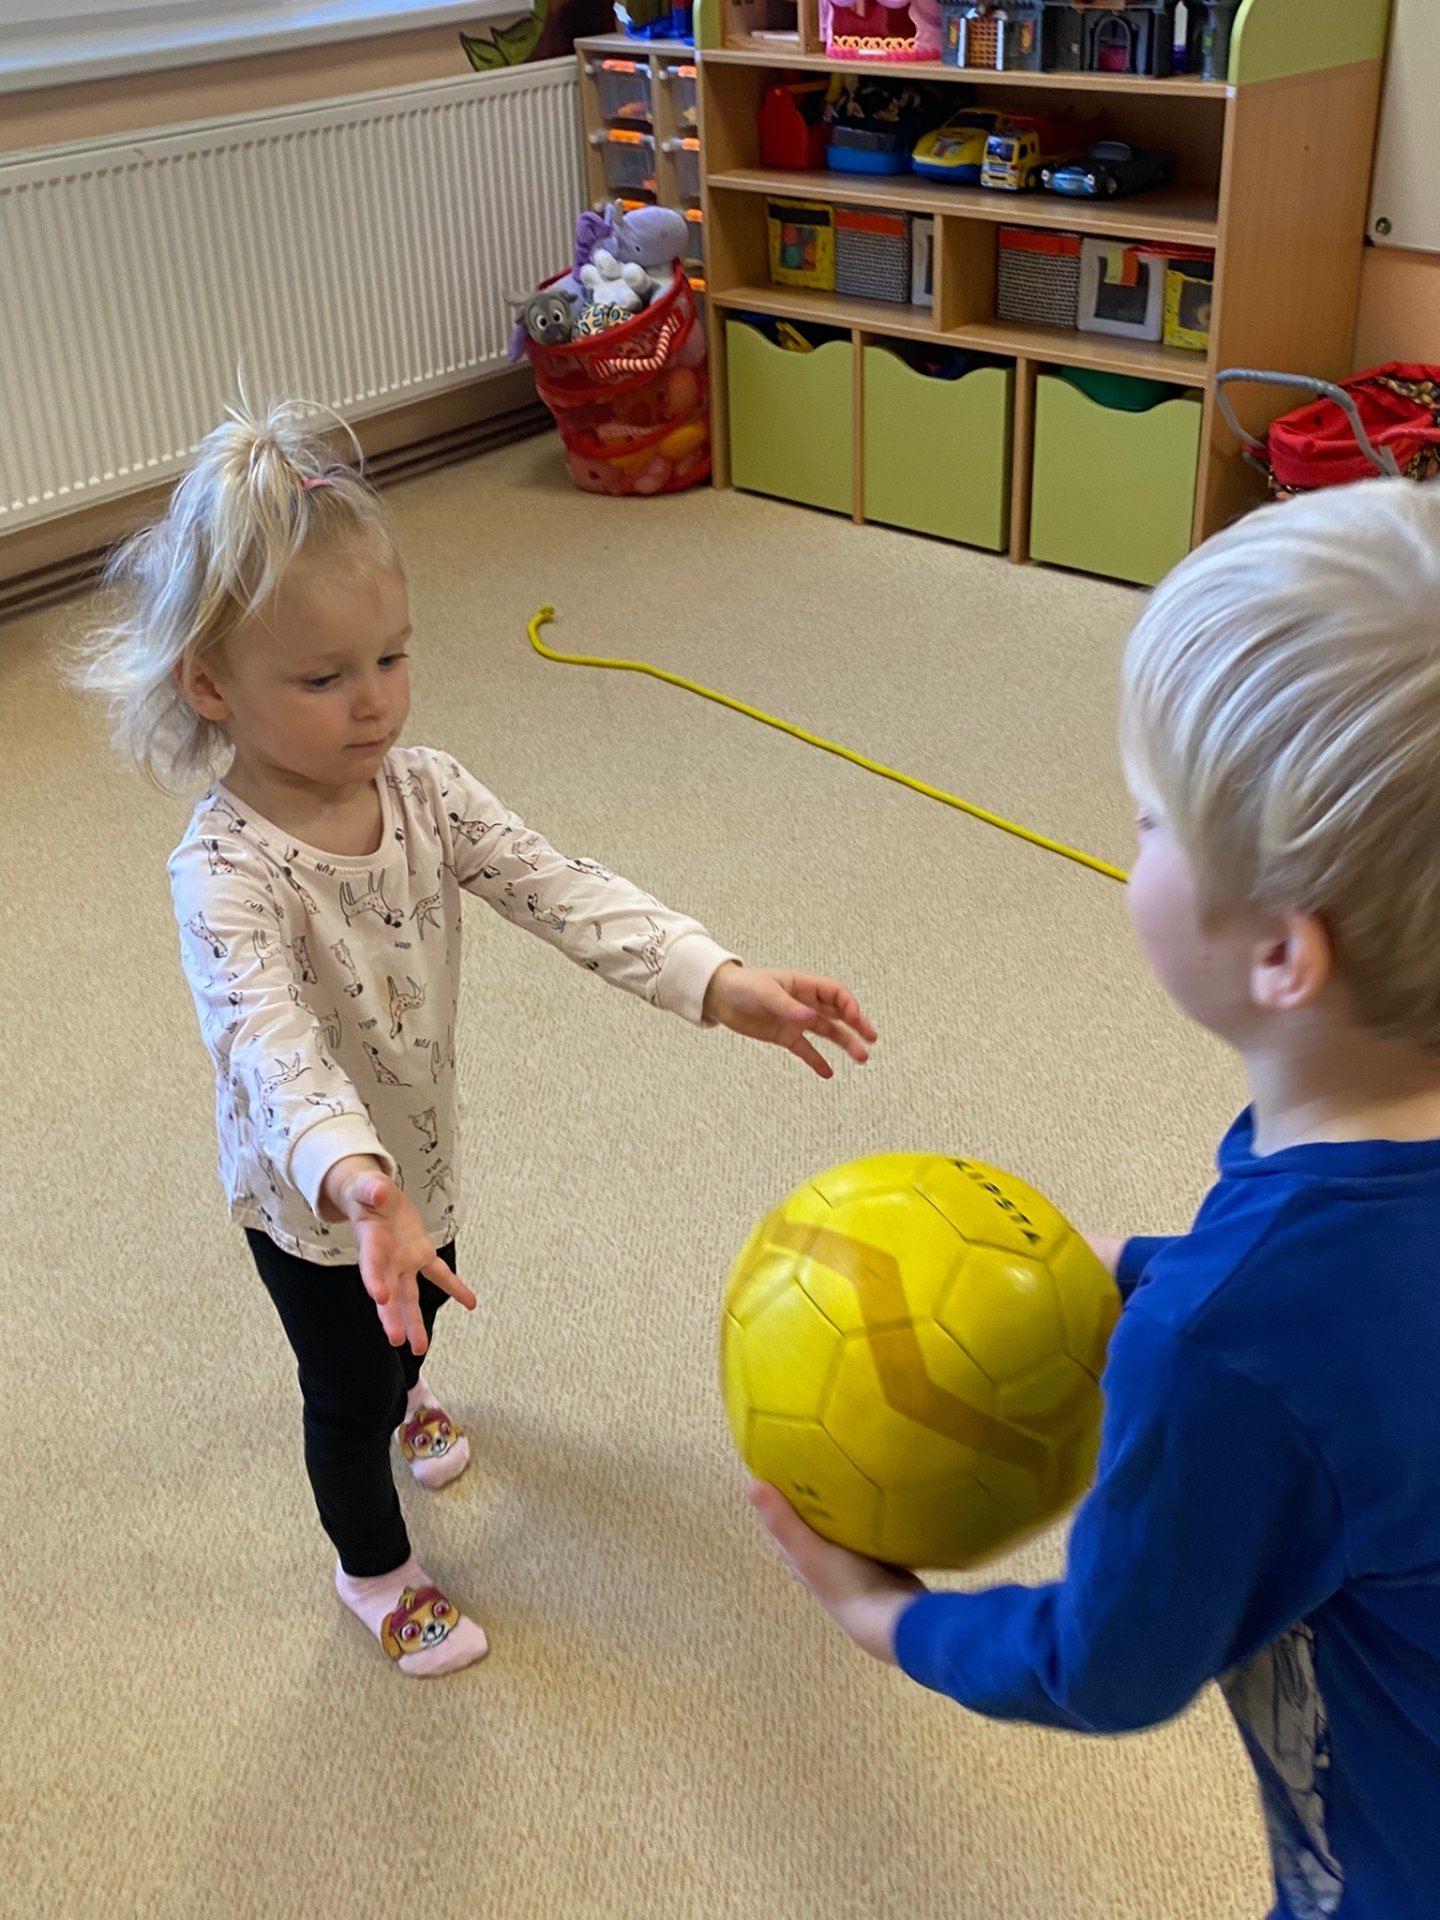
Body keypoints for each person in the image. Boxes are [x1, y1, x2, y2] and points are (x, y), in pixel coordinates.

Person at [79, 399, 877, 1678]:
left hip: (422, 1155)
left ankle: (413, 1388)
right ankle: (373, 1570)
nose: (374, 703)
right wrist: (357, 1183)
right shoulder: (222, 873)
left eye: (391, 657)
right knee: (347, 1393)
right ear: (211, 685)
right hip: (318, 1198)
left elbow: (560, 886)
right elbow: (269, 1046)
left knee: (422, 1309)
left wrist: (716, 980)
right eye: (324, 678)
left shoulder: (426, 789)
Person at [752, 479, 1440, 1918]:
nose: (1126, 836)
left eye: (1149, 819)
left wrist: (890, 1621)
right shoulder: (1297, 1250)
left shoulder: (1221, 1351)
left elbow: (1111, 1662)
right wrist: (1146, 1266)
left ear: (1282, 955)